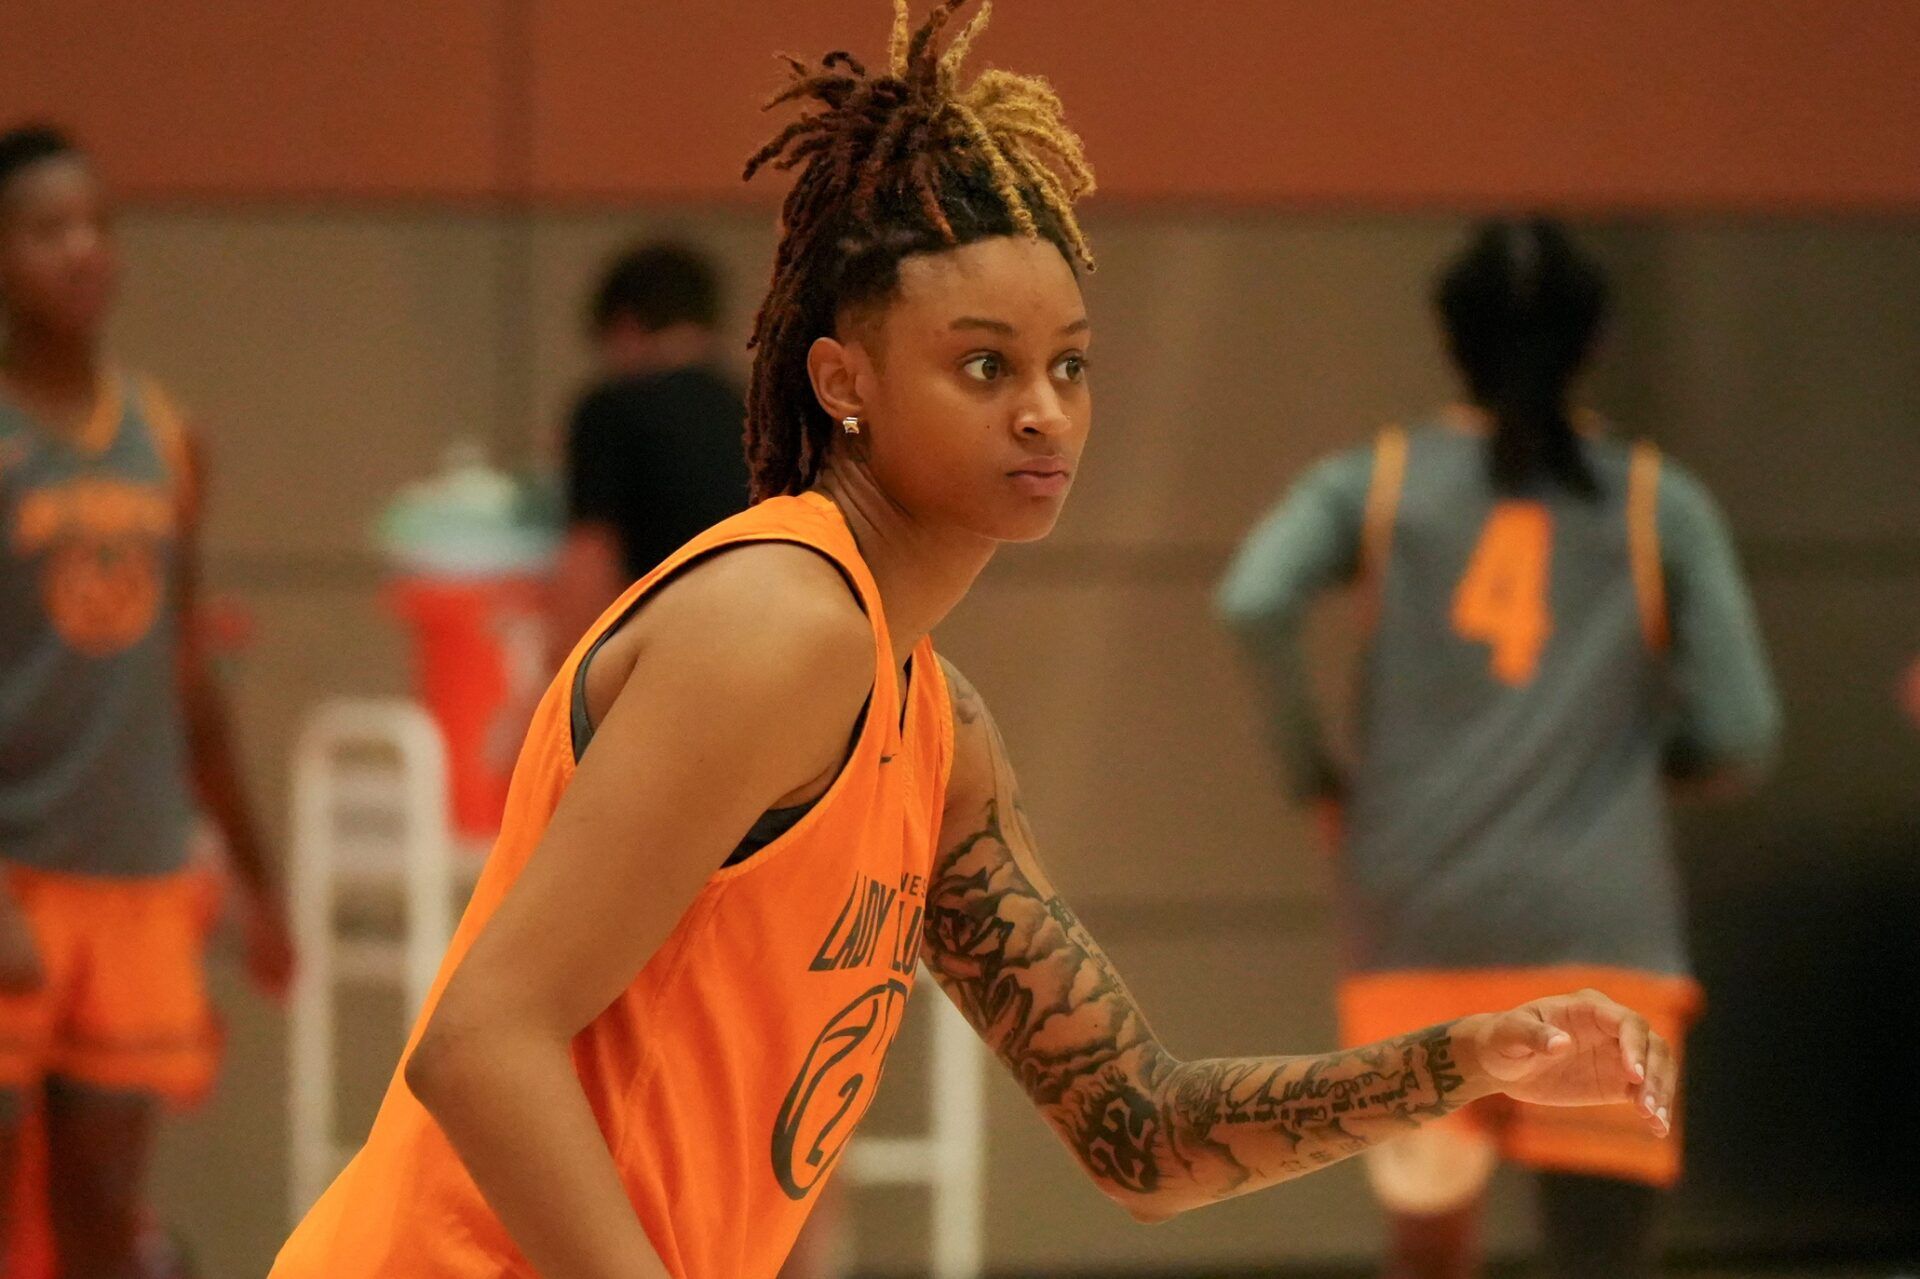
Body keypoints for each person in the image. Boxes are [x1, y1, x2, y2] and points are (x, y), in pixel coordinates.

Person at [271, 10, 1678, 1278]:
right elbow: (481, 1039)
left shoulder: (933, 724)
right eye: (986, 363)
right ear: (845, 379)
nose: (1046, 412)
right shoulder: (780, 622)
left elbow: (1144, 1130)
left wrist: (1467, 1059)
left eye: (1070, 364)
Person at [1217, 218, 1780, 1279]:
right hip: (1599, 922)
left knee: (1429, 1246)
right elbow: (1742, 732)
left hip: (1415, 922)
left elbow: (1252, 598)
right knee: (1601, 1257)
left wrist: (1318, 775)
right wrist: (1660, 763)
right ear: (1593, 342)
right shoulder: (1659, 501)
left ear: (1449, 336)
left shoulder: (1375, 481)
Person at [0, 124, 295, 1276]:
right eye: (44, 229)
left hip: (131, 881)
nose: (79, 249)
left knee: (99, 1228)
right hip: (12, 873)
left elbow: (185, 677)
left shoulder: (165, 438)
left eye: (95, 226)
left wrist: (259, 881)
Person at [548, 242, 752, 664]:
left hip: (668, 655)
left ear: (624, 326)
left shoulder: (610, 407)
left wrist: (556, 678)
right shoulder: (760, 406)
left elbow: (592, 556)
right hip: (777, 642)